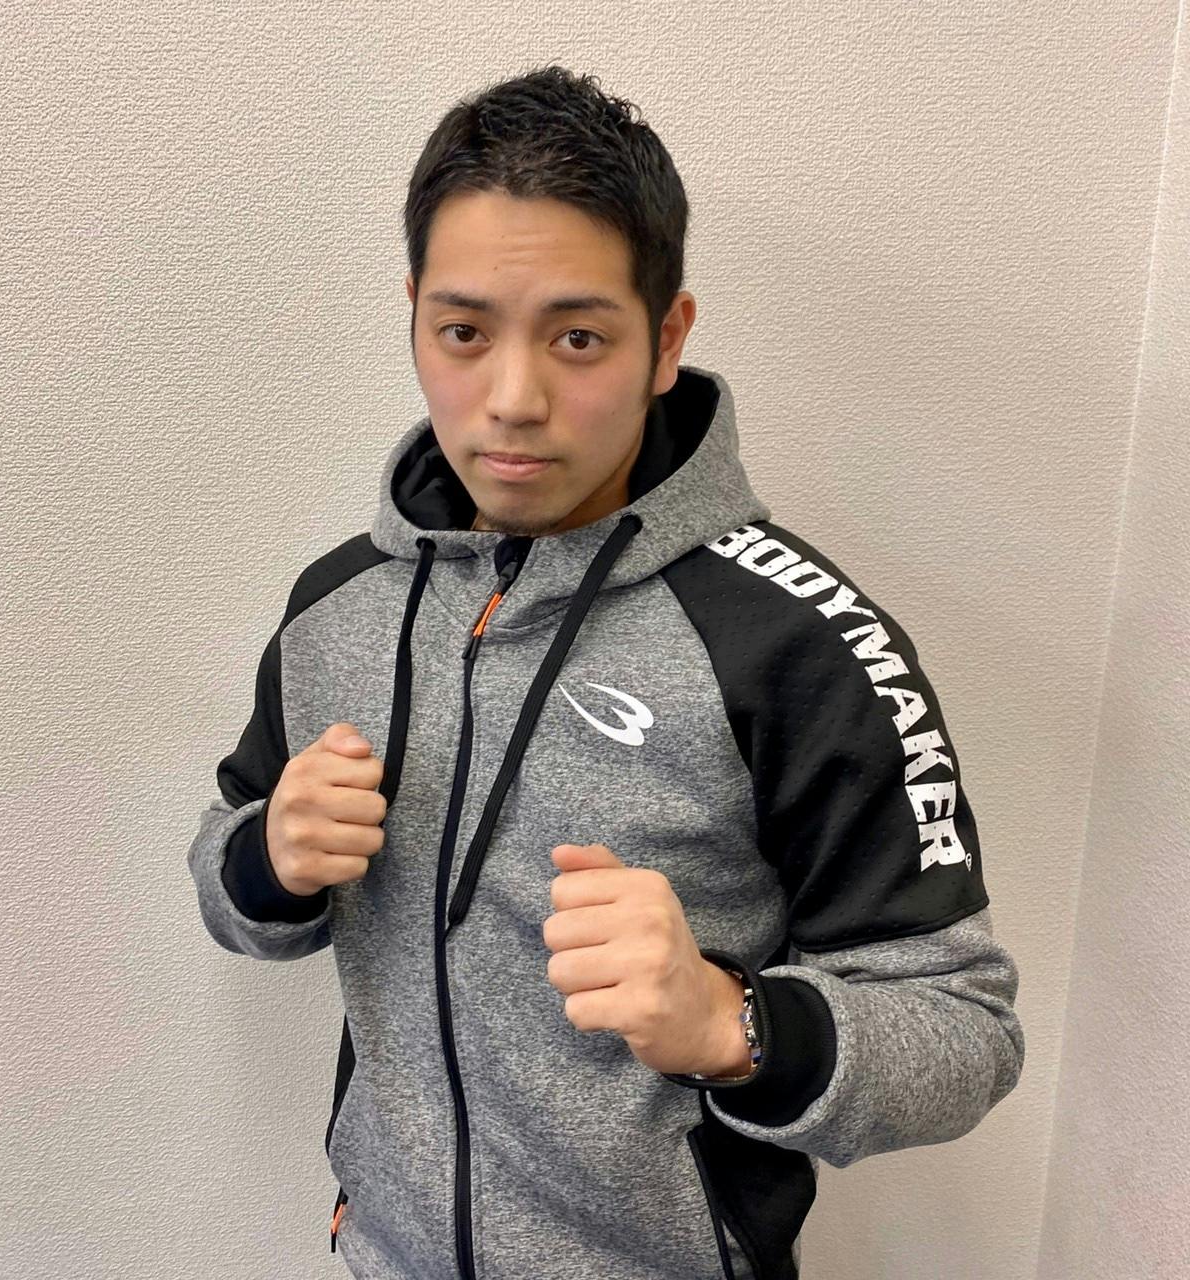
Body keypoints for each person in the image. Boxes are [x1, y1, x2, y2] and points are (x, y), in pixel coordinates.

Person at [186, 64, 1025, 1280]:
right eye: (464, 332)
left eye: (576, 337)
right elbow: (226, 870)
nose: (512, 400)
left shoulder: (797, 640)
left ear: (665, 337)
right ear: (413, 315)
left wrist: (732, 1025)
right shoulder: (337, 609)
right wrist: (265, 859)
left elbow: (963, 1028)